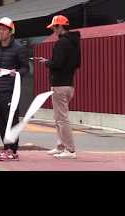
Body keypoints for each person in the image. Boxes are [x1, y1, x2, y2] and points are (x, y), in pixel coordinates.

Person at [0, 17, 29, 161]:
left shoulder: (19, 49)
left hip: (11, 90)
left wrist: (16, 73)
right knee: (0, 119)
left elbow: (25, 69)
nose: (0, 32)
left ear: (10, 32)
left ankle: (13, 150)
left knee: (12, 120)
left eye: (3, 29)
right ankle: (6, 147)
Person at [38, 15, 81, 159]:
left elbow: (57, 63)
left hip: (59, 85)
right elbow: (76, 64)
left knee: (61, 119)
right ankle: (61, 146)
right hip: (69, 85)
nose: (53, 31)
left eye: (54, 27)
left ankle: (70, 150)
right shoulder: (74, 43)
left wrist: (46, 62)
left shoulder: (61, 43)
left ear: (60, 27)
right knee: (59, 118)